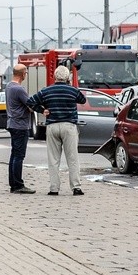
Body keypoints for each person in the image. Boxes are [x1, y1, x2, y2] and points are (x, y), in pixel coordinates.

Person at [26, 66, 87, 196]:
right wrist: (71, 86)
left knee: (53, 159)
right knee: (72, 158)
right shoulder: (72, 90)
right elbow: (83, 100)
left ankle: (54, 189)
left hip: (52, 126)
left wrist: (42, 110)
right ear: (67, 78)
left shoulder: (46, 91)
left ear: (54, 77)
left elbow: (30, 102)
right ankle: (76, 187)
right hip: (69, 126)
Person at [5, 64, 35, 194]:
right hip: (20, 125)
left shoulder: (8, 86)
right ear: (23, 74)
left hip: (12, 123)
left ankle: (13, 183)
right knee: (19, 156)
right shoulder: (19, 89)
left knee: (14, 155)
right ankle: (18, 185)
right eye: (26, 73)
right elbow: (30, 105)